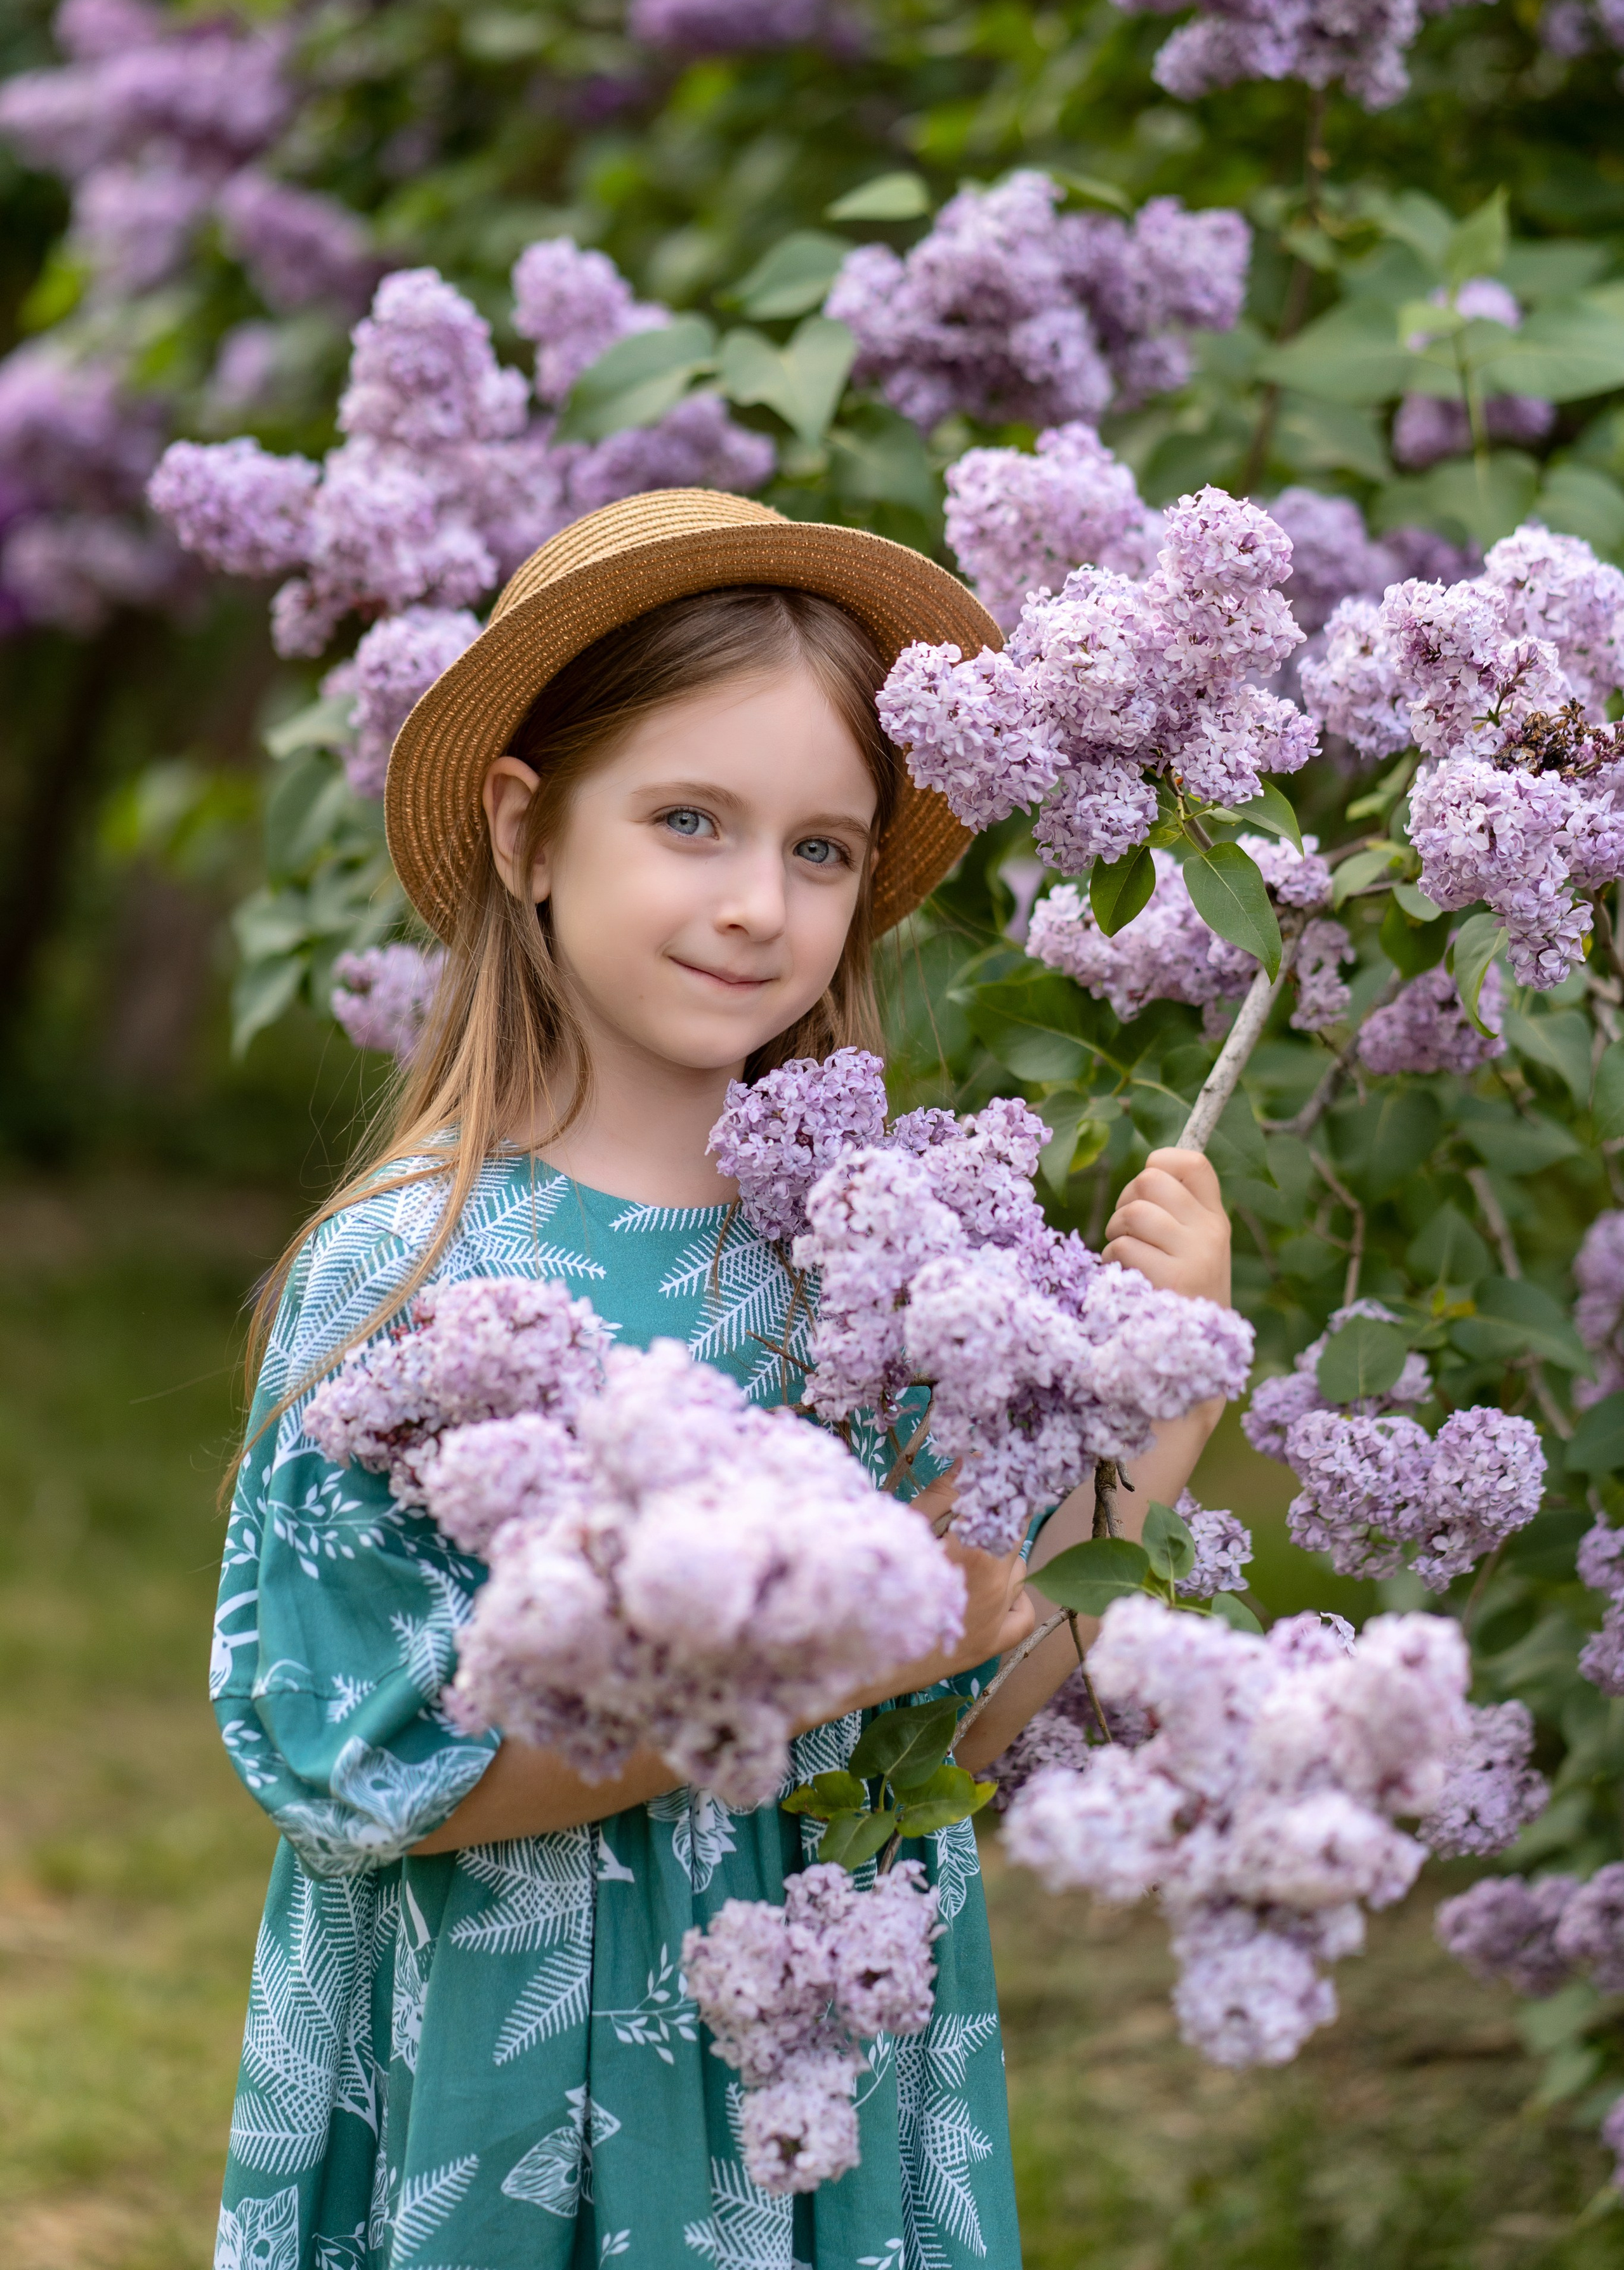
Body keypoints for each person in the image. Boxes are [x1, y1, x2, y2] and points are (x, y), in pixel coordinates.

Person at [210, 489, 1232, 2270]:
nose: (759, 905)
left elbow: (946, 1738)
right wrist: (791, 1661)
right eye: (691, 821)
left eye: (822, 850)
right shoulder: (407, 1281)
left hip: (807, 2083)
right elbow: (356, 1759)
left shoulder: (874, 1270)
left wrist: (1161, 1417)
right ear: (528, 829)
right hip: (502, 2085)